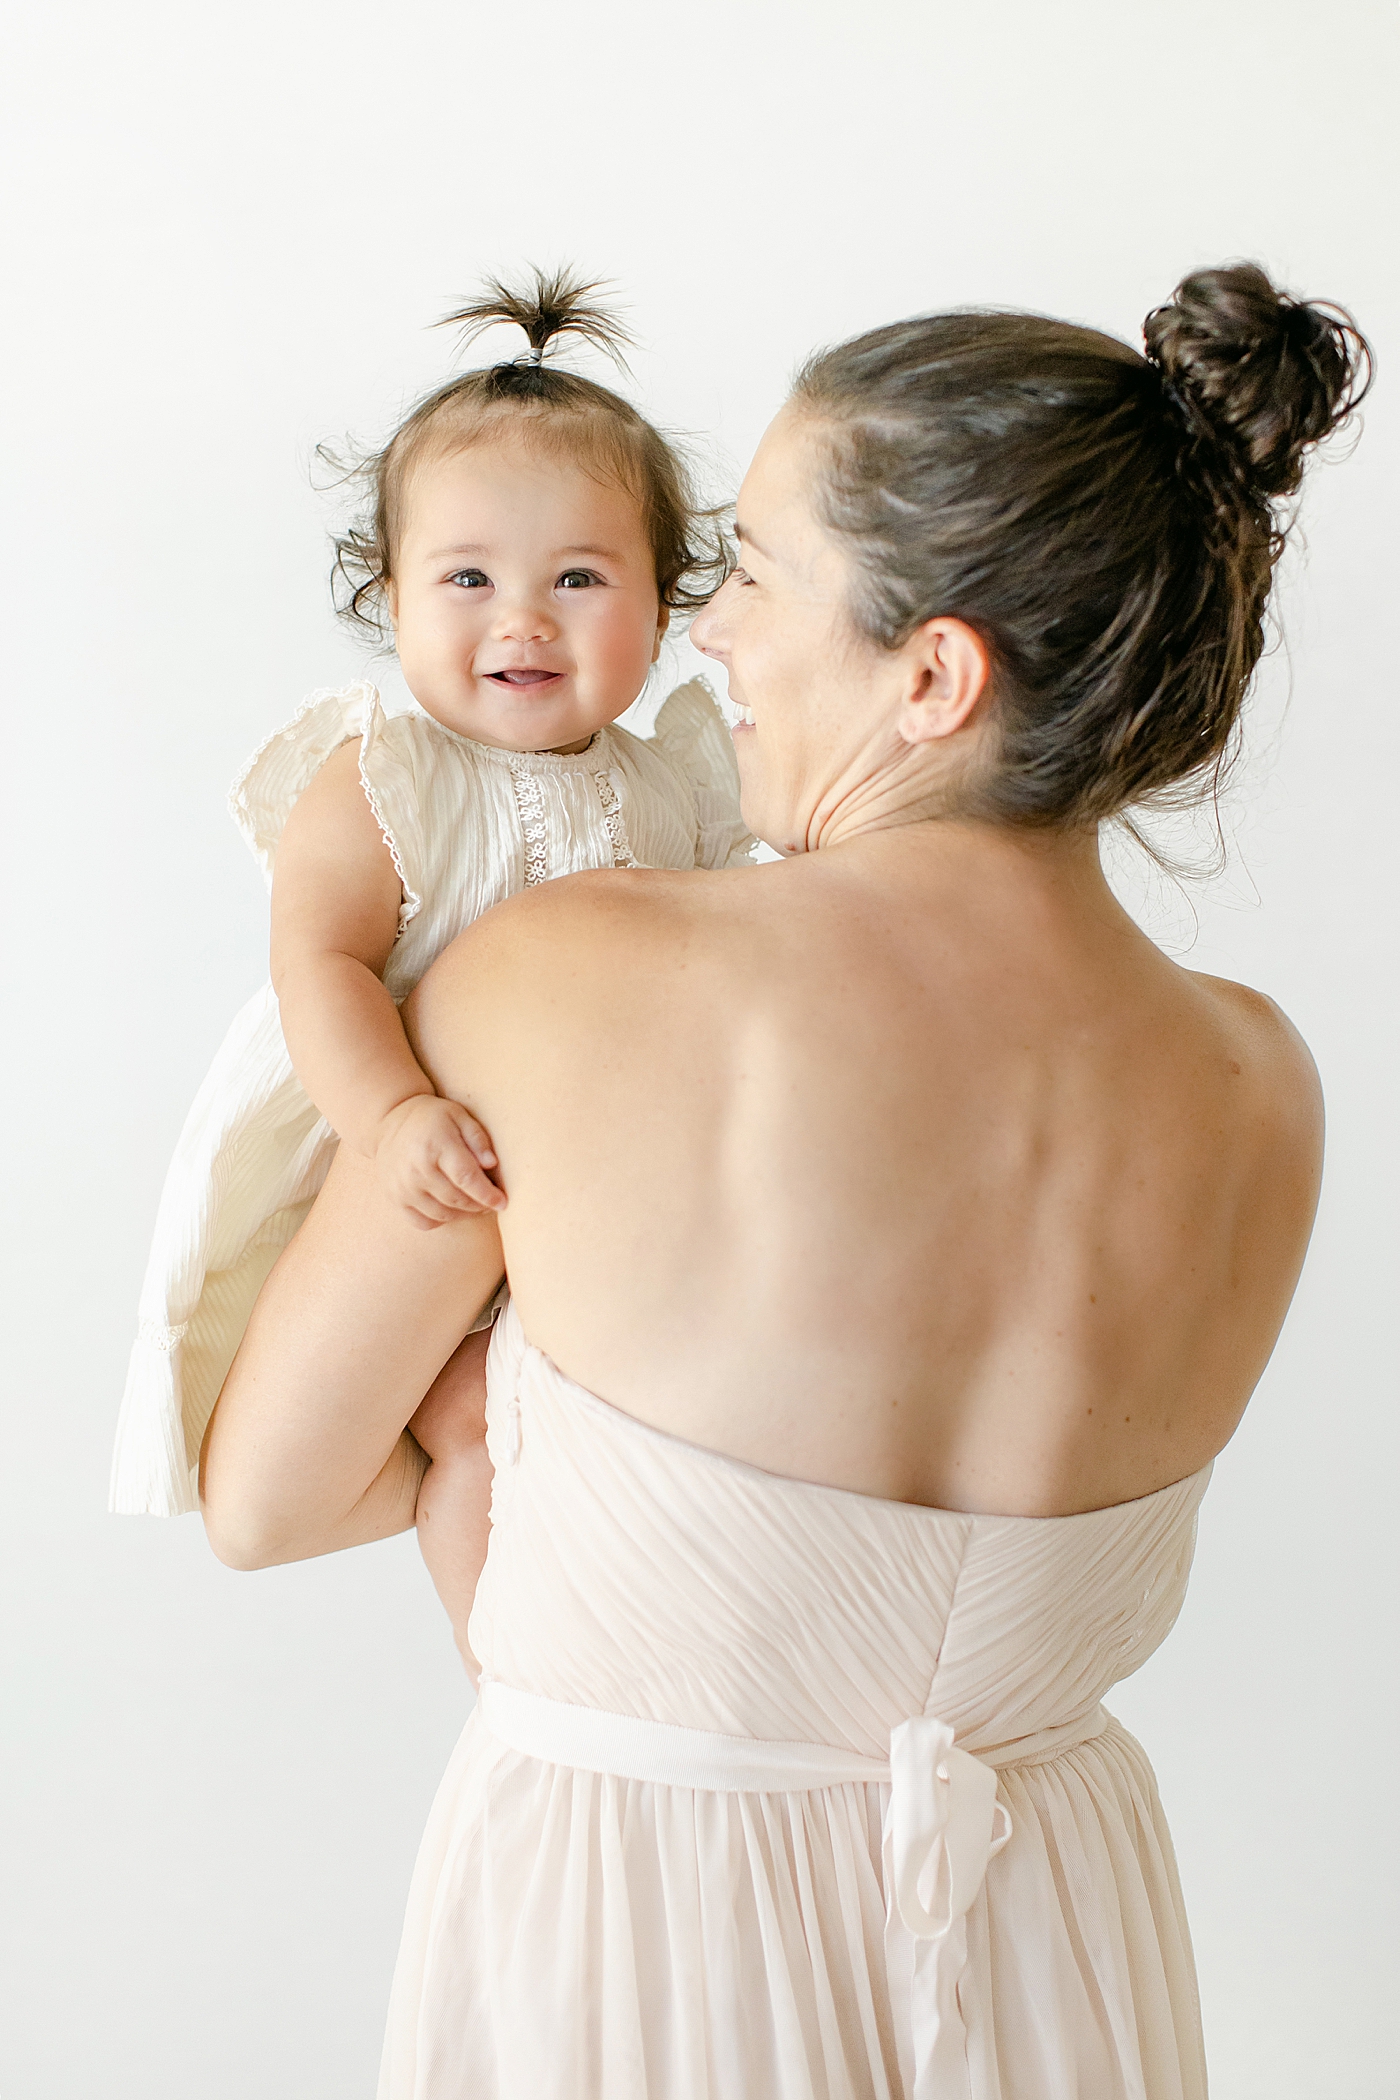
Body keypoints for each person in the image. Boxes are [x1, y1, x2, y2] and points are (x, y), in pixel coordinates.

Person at [200, 263, 1369, 2099]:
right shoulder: (1264, 1085)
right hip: (1054, 1949)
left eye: (748, 570)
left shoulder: (572, 978)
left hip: (645, 1950)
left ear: (931, 674)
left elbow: (268, 1496)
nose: (708, 636)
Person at [109, 271, 752, 1650]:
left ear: (665, 599)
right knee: (458, 1427)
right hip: (414, 1152)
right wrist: (390, 1116)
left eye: (579, 579)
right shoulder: (387, 775)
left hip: (608, 1193)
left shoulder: (684, 786)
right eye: (468, 579)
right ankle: (523, 1692)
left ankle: (580, 1691)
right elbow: (321, 964)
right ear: (388, 595)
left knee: (552, 1438)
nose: (522, 620)